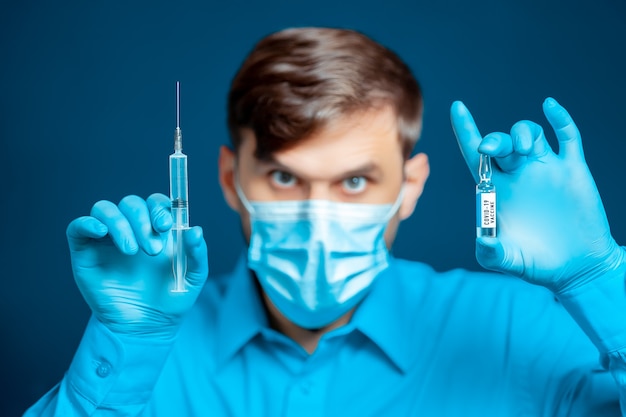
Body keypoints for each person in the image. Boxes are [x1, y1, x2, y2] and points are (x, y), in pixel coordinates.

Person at [25, 27, 626, 416]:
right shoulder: (149, 352)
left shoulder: (512, 327)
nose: (319, 217)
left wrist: (596, 275)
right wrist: (129, 339)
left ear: (409, 187)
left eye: (356, 181)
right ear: (231, 179)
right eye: (285, 179)